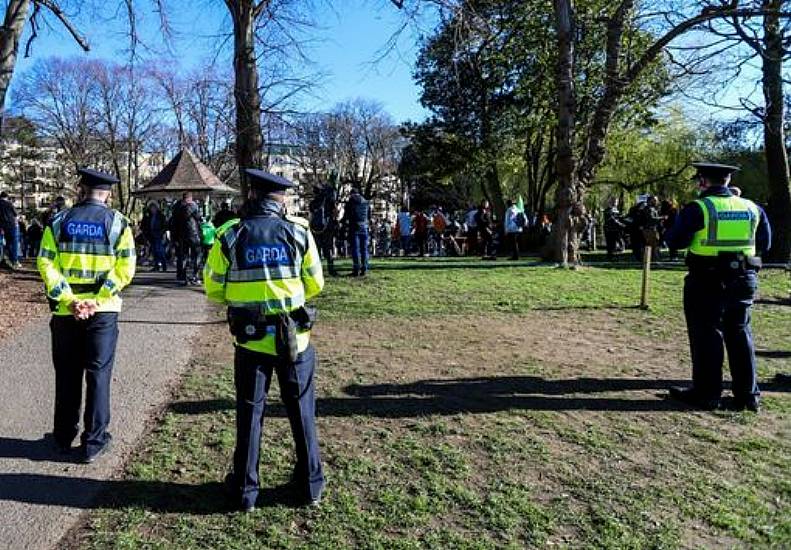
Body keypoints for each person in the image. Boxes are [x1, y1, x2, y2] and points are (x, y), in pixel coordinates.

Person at [203, 168, 325, 512]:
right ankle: (311, 486)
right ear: (280, 199)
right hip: (294, 342)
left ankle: (245, 491)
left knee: (250, 415)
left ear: (252, 196)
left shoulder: (230, 235)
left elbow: (213, 286)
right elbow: (315, 283)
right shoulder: (298, 233)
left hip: (251, 342)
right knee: (302, 413)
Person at [36, 168, 136, 462]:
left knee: (67, 374)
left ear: (81, 188)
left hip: (66, 312)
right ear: (108, 194)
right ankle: (93, 442)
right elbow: (125, 269)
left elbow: (46, 264)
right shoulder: (118, 223)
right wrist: (97, 299)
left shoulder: (58, 221)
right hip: (102, 312)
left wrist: (70, 300)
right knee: (98, 374)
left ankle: (63, 436)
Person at [665, 162, 772, 412]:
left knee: (706, 334)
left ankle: (707, 392)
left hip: (706, 278)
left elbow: (676, 240)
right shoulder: (751, 207)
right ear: (727, 180)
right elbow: (765, 243)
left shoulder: (699, 208)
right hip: (744, 277)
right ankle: (748, 395)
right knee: (740, 332)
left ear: (703, 181)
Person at [170, 192, 202, 285]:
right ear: (190, 199)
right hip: (194, 235)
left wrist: (174, 238)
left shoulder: (177, 209)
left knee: (183, 256)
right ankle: (195, 276)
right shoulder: (193, 207)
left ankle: (182, 276)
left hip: (181, 236)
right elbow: (199, 219)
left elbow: (173, 224)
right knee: (197, 255)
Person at [309, 183, 339, 276]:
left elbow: (311, 213)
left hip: (315, 228)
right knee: (328, 249)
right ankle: (331, 269)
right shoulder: (329, 201)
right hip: (327, 227)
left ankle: (317, 271)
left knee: (317, 250)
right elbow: (335, 212)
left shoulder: (313, 203)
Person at [343, 188, 371, 276]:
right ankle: (364, 268)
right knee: (364, 249)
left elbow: (346, 216)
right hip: (364, 226)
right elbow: (369, 216)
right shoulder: (366, 202)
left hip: (354, 227)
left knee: (355, 249)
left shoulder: (350, 202)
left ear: (351, 194)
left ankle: (356, 269)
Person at [141, 202, 168, 271]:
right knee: (154, 251)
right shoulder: (148, 216)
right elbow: (144, 225)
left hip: (159, 235)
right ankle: (156, 265)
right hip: (151, 235)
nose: (152, 209)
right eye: (151, 208)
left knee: (160, 250)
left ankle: (163, 264)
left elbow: (164, 225)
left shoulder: (161, 216)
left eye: (154, 208)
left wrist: (162, 233)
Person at [0, 191, 20, 269]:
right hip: (11, 225)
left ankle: (3, 259)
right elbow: (15, 214)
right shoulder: (9, 204)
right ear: (7, 197)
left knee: (3, 243)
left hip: (1, 226)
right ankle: (14, 260)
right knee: (13, 243)